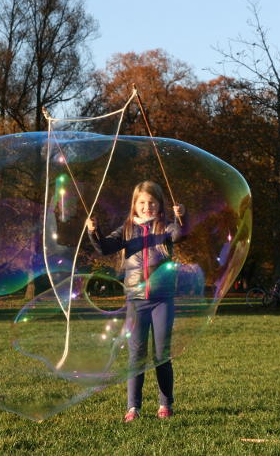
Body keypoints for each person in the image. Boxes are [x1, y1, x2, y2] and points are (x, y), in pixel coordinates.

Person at [87, 181, 186, 422]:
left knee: (161, 353)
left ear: (160, 204)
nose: (147, 206)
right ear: (134, 205)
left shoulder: (166, 227)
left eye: (152, 202)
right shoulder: (127, 229)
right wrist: (93, 231)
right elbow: (104, 247)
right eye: (142, 202)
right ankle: (133, 407)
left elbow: (181, 234)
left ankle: (165, 404)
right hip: (136, 299)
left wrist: (183, 216)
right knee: (136, 355)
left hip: (162, 298)